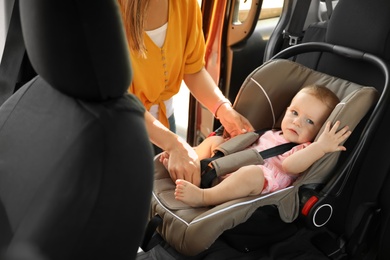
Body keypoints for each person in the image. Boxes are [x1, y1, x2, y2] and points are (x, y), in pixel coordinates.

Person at [117, 0, 254, 187]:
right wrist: (175, 145)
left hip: (166, 123)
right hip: (121, 132)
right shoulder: (105, 12)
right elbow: (119, 100)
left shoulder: (185, 4)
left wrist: (222, 108)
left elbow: (193, 69)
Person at [161, 85, 352, 207]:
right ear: (286, 111)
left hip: (255, 182)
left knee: (252, 173)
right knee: (216, 142)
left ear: (318, 131)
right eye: (294, 113)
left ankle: (204, 196)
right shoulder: (270, 132)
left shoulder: (305, 148)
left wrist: (321, 147)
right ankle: (188, 164)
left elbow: (289, 166)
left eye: (309, 121)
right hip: (227, 167)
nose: (297, 122)